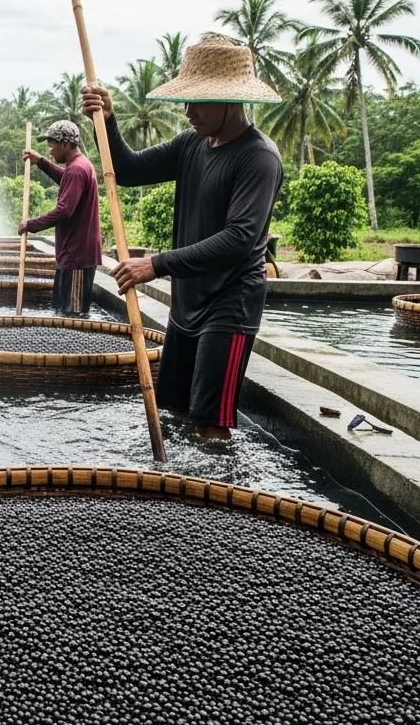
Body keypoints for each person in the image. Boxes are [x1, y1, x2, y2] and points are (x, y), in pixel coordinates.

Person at [80, 35, 284, 439]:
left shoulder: (258, 157)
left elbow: (239, 238)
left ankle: (217, 495)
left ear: (231, 101)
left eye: (198, 102)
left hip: (230, 304)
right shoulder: (193, 142)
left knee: (210, 421)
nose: (188, 112)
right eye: (185, 101)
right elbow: (130, 169)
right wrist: (107, 119)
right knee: (173, 409)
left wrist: (155, 264)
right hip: (187, 302)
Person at [18, 120, 101, 317]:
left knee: (73, 316)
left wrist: (31, 224)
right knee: (64, 313)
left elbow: (64, 210)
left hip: (77, 257)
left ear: (65, 144)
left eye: (51, 144)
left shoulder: (77, 169)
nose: (50, 150)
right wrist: (41, 162)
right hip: (74, 255)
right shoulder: (78, 166)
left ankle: (75, 348)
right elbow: (66, 178)